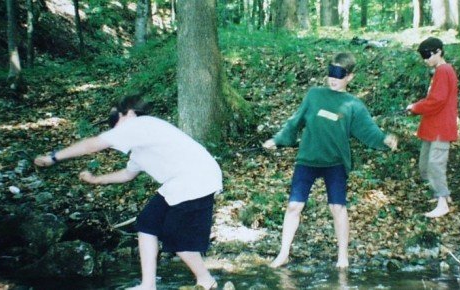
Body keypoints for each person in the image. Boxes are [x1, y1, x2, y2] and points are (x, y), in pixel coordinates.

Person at [34, 94, 221, 290]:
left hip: (196, 180)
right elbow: (127, 174)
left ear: (129, 114)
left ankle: (206, 281)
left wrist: (54, 157)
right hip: (181, 182)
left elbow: (93, 144)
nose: (115, 130)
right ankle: (148, 285)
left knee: (177, 237)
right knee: (147, 223)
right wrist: (97, 180)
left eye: (116, 121)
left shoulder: (141, 124)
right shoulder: (142, 145)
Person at [262, 52, 398, 268]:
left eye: (339, 74)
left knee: (338, 208)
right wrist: (277, 140)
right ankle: (283, 253)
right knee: (294, 206)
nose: (333, 78)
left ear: (350, 77)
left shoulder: (353, 105)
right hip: (307, 159)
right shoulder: (314, 95)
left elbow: (369, 131)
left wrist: (384, 140)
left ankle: (343, 257)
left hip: (335, 163)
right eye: (331, 72)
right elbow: (294, 122)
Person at [406, 37, 459, 219]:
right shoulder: (440, 71)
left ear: (438, 52)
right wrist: (416, 107)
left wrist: (415, 107)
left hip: (441, 128)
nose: (425, 59)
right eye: (423, 56)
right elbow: (434, 99)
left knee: (435, 165)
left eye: (427, 55)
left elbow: (437, 100)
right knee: (425, 166)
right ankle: (442, 196)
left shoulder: (444, 70)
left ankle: (442, 202)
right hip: (433, 127)